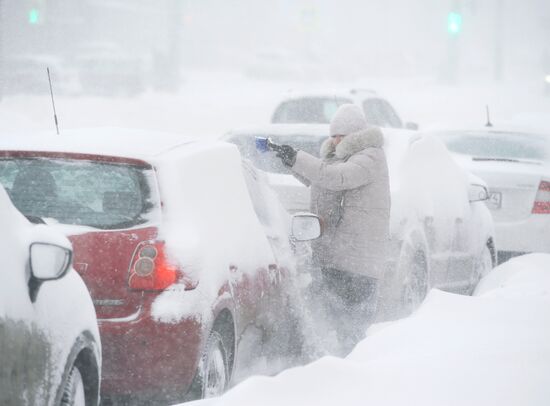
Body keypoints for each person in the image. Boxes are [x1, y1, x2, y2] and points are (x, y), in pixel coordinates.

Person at [275, 103, 391, 353]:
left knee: (350, 332)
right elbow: (322, 180)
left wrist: (298, 158)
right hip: (335, 259)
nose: (336, 141)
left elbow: (336, 178)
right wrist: (291, 161)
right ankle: (332, 370)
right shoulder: (343, 159)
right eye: (334, 136)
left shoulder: (370, 157)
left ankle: (349, 376)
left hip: (358, 264)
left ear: (356, 135)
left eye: (342, 136)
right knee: (331, 324)